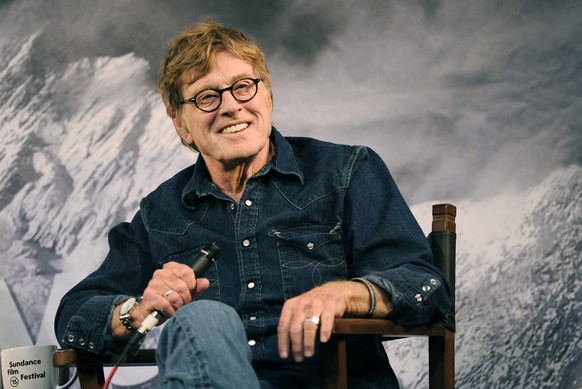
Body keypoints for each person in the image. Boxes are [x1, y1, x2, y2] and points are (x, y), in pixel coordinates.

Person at [55, 21, 452, 388]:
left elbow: (425, 286)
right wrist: (136, 312)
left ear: (268, 96)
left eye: (244, 86)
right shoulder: (161, 213)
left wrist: (345, 294)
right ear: (181, 124)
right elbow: (73, 313)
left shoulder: (344, 172)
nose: (231, 106)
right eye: (207, 97)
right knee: (202, 320)